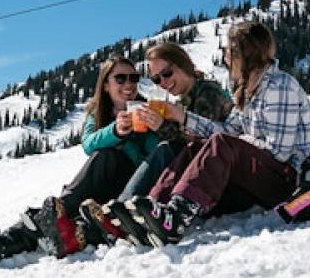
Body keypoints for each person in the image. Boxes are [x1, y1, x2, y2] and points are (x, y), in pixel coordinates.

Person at [126, 21, 310, 247]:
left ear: (243, 54)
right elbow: (225, 130)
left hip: (294, 180)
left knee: (223, 143)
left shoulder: (278, 86)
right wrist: (184, 117)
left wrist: (236, 143)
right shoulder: (249, 91)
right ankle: (153, 208)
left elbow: (279, 152)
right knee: (197, 146)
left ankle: (177, 216)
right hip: (269, 174)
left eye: (227, 51)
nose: (224, 57)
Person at [0, 56, 162, 270]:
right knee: (68, 206)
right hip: (100, 188)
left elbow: (154, 157)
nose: (129, 84)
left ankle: (48, 215)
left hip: (129, 187)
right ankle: (2, 244)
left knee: (106, 157)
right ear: (106, 85)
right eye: (120, 78)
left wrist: (147, 131)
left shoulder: (147, 111)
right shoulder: (98, 112)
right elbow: (88, 144)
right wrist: (115, 131)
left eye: (134, 78)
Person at [84, 42, 232, 245]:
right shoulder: (185, 99)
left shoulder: (207, 93)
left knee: (166, 150)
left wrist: (161, 127)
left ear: (183, 64)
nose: (163, 82)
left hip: (215, 183)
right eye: (156, 79)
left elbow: (202, 145)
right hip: (198, 182)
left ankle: (119, 214)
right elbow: (88, 143)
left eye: (167, 73)